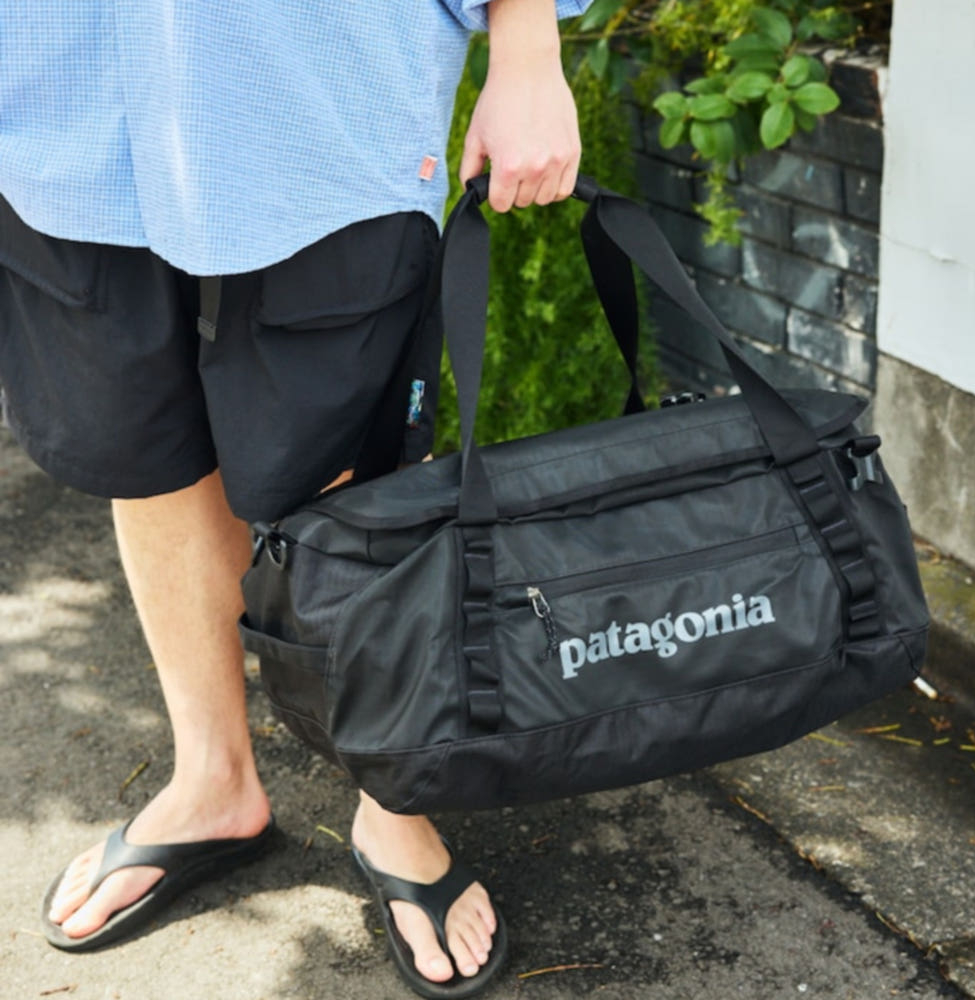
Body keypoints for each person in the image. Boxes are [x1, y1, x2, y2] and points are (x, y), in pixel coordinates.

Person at [0, 1, 588, 996]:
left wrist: (528, 43)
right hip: (57, 95)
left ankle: (393, 801)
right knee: (148, 452)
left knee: (350, 484)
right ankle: (212, 781)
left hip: (315, 98)